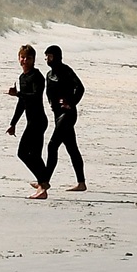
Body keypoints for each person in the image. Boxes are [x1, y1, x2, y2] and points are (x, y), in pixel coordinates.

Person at [5, 45, 53, 200]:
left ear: (33, 60)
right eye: (22, 57)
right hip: (31, 120)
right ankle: (42, 185)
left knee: (23, 153)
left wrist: (18, 93)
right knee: (36, 156)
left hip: (38, 121)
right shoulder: (22, 77)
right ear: (19, 58)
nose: (25, 60)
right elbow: (22, 103)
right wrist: (13, 123)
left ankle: (43, 182)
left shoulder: (37, 77)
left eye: (28, 58)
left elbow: (34, 96)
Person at [44, 45, 87, 192]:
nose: (47, 59)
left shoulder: (66, 70)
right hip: (57, 115)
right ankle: (81, 183)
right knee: (72, 148)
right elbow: (48, 92)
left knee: (52, 145)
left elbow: (80, 88)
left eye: (49, 56)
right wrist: (51, 103)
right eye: (46, 56)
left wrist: (71, 102)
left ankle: (44, 181)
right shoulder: (49, 75)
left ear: (57, 56)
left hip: (68, 115)